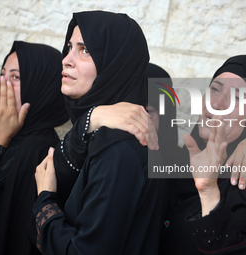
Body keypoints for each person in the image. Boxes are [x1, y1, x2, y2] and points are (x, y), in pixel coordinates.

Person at [33, 11, 168, 255]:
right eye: (69, 47)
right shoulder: (99, 137)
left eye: (85, 50)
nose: (66, 59)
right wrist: (93, 117)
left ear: (114, 65)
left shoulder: (119, 151)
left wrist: (45, 202)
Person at [159, 55, 246, 254]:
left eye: (238, 97)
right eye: (215, 89)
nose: (219, 103)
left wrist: (209, 195)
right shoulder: (188, 156)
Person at [0, 41, 69, 255]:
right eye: (2, 74)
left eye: (16, 77)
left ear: (41, 88)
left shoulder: (35, 150)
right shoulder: (15, 141)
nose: (2, 84)